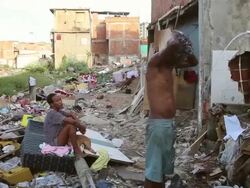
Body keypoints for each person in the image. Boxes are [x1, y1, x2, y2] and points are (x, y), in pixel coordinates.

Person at [145, 30, 198, 188]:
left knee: (161, 172)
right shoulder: (155, 62)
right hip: (159, 126)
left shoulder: (169, 66)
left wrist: (187, 49)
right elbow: (174, 45)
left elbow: (193, 61)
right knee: (153, 172)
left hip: (168, 125)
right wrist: (179, 38)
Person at [44, 93, 86, 157]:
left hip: (58, 136)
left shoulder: (59, 111)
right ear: (52, 104)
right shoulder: (52, 113)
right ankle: (76, 150)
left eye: (60, 100)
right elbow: (72, 122)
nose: (60, 102)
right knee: (70, 125)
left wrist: (79, 125)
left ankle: (73, 143)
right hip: (53, 142)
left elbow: (71, 114)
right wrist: (82, 127)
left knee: (70, 120)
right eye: (57, 101)